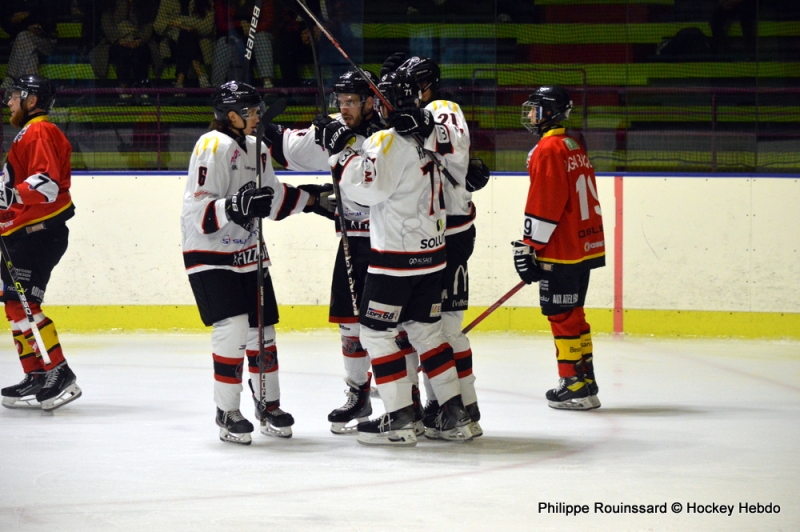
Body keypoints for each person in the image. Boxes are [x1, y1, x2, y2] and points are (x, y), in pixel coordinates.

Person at [319, 71, 473, 446]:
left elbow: (364, 192)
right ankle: (455, 414)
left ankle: (400, 418)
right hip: (432, 255)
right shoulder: (427, 137)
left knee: (374, 333)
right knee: (427, 333)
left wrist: (340, 151)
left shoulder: (388, 141)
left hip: (396, 260)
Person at [180, 80, 332, 444]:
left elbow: (274, 199)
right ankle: (227, 411)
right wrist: (234, 206)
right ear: (230, 115)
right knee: (233, 328)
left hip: (249, 256)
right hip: (210, 254)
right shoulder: (211, 145)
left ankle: (269, 405)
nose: (257, 115)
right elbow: (197, 210)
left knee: (263, 334)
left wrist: (313, 201)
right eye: (250, 110)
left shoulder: (257, 147)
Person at [265, 69, 391, 435]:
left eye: (352, 101)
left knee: (393, 324)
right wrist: (260, 126)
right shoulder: (335, 127)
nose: (345, 108)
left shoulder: (390, 130)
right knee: (351, 324)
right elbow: (292, 150)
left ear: (370, 100)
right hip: (353, 238)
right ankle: (358, 394)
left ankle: (406, 397)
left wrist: (347, 142)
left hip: (391, 241)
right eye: (341, 102)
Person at [389, 54, 490, 438]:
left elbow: (449, 144)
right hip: (434, 235)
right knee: (424, 328)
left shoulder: (441, 108)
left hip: (450, 236)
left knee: (443, 328)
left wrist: (424, 126)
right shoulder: (419, 113)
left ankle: (462, 409)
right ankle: (446, 407)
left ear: (424, 85)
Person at [514, 86, 605, 410]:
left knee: (561, 315)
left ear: (548, 112)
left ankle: (574, 385)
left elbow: (546, 201)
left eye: (533, 109)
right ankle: (586, 380)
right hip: (583, 245)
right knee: (575, 314)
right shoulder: (572, 144)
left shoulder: (549, 148)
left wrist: (529, 246)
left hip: (562, 248)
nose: (528, 115)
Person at [0, 75, 81, 412]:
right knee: (14, 305)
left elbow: (46, 184)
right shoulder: (26, 133)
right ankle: (35, 373)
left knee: (26, 305)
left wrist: (13, 193)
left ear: (32, 100)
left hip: (39, 232)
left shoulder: (40, 131)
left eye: (15, 96)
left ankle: (59, 371)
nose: (8, 101)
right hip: (22, 233)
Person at [211, 0, 276, 89]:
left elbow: (268, 21)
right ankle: (216, 87)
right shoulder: (223, 2)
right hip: (234, 37)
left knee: (261, 37)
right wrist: (240, 24)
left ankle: (267, 83)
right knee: (223, 42)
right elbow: (221, 25)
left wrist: (252, 28)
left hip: (256, 36)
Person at [154, 0, 214, 89]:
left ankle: (179, 82)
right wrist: (180, 27)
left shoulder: (207, 2)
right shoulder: (168, 1)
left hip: (200, 45)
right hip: (173, 43)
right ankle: (201, 76)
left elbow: (207, 28)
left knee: (187, 36)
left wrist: (180, 22)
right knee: (186, 35)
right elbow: (157, 26)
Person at [0, 1, 56, 89]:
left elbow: (50, 24)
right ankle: (31, 87)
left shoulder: (44, 3)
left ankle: (11, 77)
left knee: (23, 37)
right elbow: (7, 26)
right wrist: (23, 26)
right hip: (21, 46)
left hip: (45, 43)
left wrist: (28, 16)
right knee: (30, 53)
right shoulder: (11, 4)